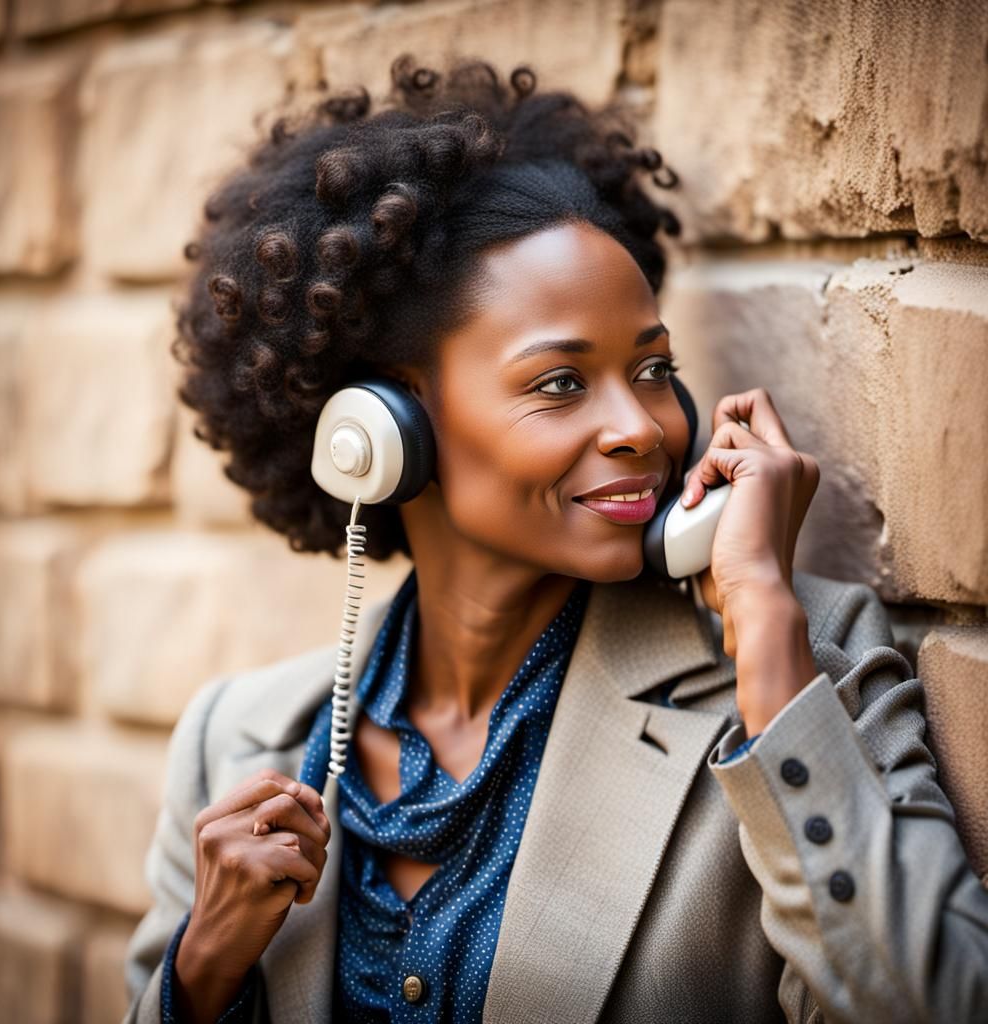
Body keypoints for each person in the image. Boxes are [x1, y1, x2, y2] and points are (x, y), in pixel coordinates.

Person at [123, 53, 988, 1024]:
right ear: (379, 431)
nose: (643, 428)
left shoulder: (801, 670)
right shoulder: (235, 739)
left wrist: (771, 651)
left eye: (653, 369)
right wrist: (200, 979)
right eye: (561, 383)